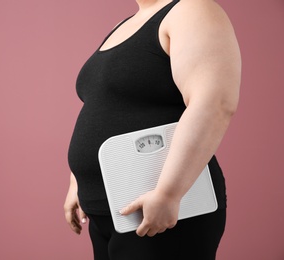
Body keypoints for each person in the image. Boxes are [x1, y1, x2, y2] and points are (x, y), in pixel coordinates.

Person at [64, 0, 241, 259]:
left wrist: (169, 193)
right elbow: (103, 104)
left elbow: (214, 103)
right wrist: (76, 183)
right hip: (108, 211)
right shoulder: (123, 25)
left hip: (160, 209)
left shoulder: (192, 9)